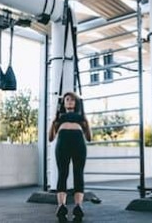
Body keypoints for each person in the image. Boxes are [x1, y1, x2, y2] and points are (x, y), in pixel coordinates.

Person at [49, 91, 92, 222]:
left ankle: (78, 206)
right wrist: (53, 122)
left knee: (78, 173)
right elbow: (51, 138)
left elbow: (89, 138)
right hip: (62, 144)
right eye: (67, 99)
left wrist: (86, 120)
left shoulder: (81, 118)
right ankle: (61, 205)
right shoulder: (59, 118)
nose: (70, 101)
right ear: (64, 102)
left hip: (78, 144)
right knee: (63, 173)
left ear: (76, 103)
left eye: (72, 100)